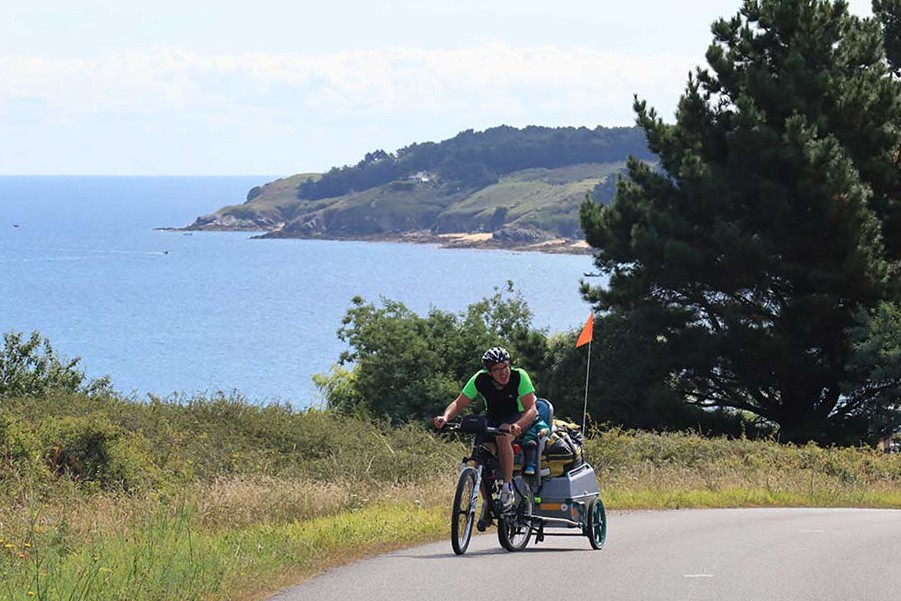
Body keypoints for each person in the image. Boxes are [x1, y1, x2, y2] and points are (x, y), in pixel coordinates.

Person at [433, 346, 538, 514]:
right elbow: (459, 403)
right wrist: (445, 418)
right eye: (497, 370)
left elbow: (531, 409)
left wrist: (518, 425)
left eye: (505, 367)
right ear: (489, 372)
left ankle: (507, 488)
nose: (504, 372)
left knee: (503, 434)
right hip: (493, 416)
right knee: (479, 453)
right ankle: (486, 501)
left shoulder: (519, 376)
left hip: (516, 417)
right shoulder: (479, 379)